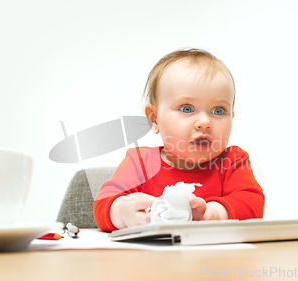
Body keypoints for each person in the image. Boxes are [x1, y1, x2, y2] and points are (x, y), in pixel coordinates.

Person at [93, 48, 264, 232]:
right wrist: (123, 211)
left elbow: (253, 204)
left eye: (218, 111)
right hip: (151, 258)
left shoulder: (232, 161)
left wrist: (214, 213)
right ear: (154, 119)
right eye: (187, 109)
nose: (205, 123)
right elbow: (103, 203)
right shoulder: (140, 162)